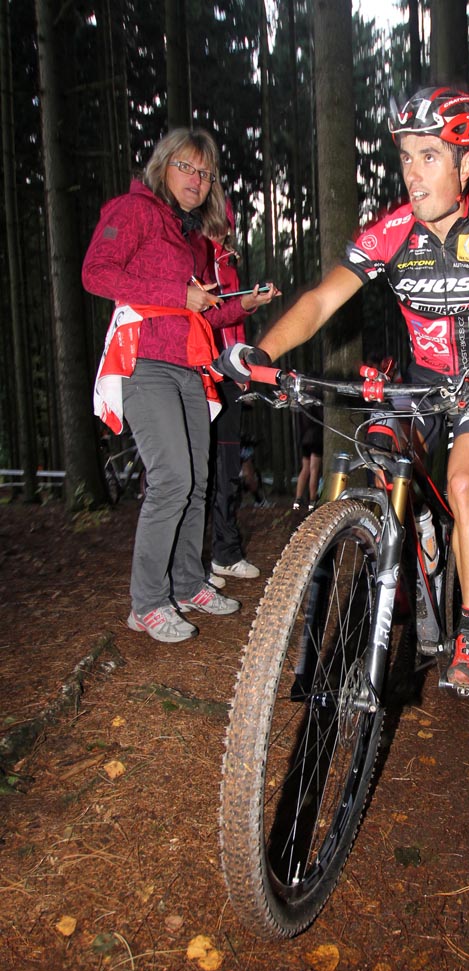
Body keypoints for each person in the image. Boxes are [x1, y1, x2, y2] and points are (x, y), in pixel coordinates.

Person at [215, 87, 469, 688]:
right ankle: (412, 545)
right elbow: (320, 300)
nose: (412, 173)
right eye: (406, 157)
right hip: (421, 385)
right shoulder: (393, 233)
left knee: (464, 484)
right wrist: (262, 352)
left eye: (428, 156)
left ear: (466, 163)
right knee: (379, 451)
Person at [83, 127, 279, 643]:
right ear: (163, 165)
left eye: (206, 173)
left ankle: (189, 583)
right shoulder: (134, 210)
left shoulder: (188, 235)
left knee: (196, 480)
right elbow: (96, 273)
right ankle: (147, 602)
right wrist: (177, 292)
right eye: (187, 167)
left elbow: (200, 316)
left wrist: (243, 305)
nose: (197, 180)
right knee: (171, 478)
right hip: (143, 361)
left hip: (189, 365)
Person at [207, 197, 276, 589]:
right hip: (201, 373)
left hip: (229, 378)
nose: (224, 231)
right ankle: (189, 566)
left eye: (227, 224)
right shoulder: (196, 257)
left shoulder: (227, 264)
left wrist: (243, 372)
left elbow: (231, 320)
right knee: (197, 472)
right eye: (218, 223)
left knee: (229, 469)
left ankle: (225, 553)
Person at [292, 404, 324, 512]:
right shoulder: (317, 404)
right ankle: (312, 500)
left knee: (305, 469)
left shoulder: (303, 405)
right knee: (314, 470)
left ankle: (298, 499)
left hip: (305, 439)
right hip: (316, 439)